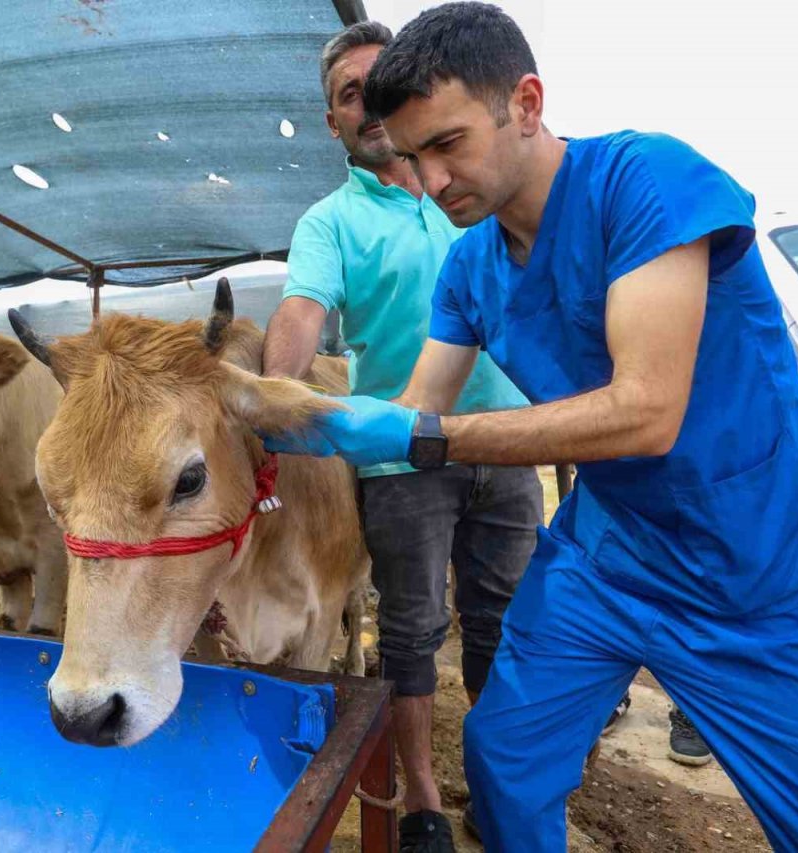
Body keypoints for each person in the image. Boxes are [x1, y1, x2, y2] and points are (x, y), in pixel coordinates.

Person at [261, 3, 798, 850]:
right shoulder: (472, 263)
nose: (432, 182)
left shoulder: (645, 183)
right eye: (413, 157)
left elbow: (647, 412)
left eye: (447, 144)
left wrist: (422, 437)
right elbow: (416, 407)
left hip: (754, 567)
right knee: (505, 758)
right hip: (611, 554)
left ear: (527, 102)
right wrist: (303, 416)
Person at [263, 21, 541, 851]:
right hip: (403, 457)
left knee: (503, 624)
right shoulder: (329, 222)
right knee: (414, 632)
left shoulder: (471, 187)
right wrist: (274, 402)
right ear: (334, 122)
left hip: (510, 443)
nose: (371, 103)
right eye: (351, 94)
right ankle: (422, 800)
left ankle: (499, 783)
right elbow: (303, 312)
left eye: (383, 84)